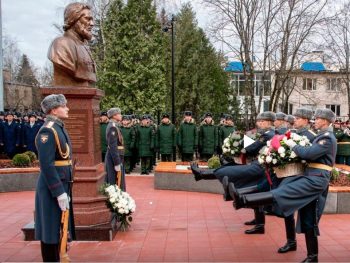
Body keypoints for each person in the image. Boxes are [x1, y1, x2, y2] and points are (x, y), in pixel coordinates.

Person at [232, 108, 336, 262]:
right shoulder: (321, 136)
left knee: (285, 191)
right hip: (309, 175)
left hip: (316, 178)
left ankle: (244, 200)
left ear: (326, 121)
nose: (316, 120)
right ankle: (312, 257)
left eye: (318, 118)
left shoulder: (327, 138)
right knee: (307, 218)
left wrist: (291, 145)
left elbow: (308, 154)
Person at [191, 111, 276, 235]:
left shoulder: (268, 134)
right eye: (258, 121)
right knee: (254, 192)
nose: (259, 123)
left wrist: (239, 147)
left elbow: (251, 148)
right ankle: (259, 224)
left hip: (261, 168)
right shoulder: (265, 133)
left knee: (229, 171)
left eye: (261, 121)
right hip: (259, 166)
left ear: (269, 122)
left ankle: (202, 175)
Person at [35, 94, 75, 262]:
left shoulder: (59, 127)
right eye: (64, 106)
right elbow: (47, 164)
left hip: (62, 183)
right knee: (51, 228)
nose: (67, 108)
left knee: (59, 226)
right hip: (52, 187)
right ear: (54, 110)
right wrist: (58, 192)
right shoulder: (48, 130)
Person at [48, 2, 96, 87]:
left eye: (92, 19)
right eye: (87, 19)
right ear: (73, 19)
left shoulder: (84, 46)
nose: (92, 23)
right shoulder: (61, 44)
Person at [105, 108, 125, 190]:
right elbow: (113, 146)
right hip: (114, 158)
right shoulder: (112, 127)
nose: (121, 115)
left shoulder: (115, 125)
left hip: (117, 156)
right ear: (114, 116)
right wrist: (117, 163)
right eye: (119, 114)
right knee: (115, 181)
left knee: (118, 181)